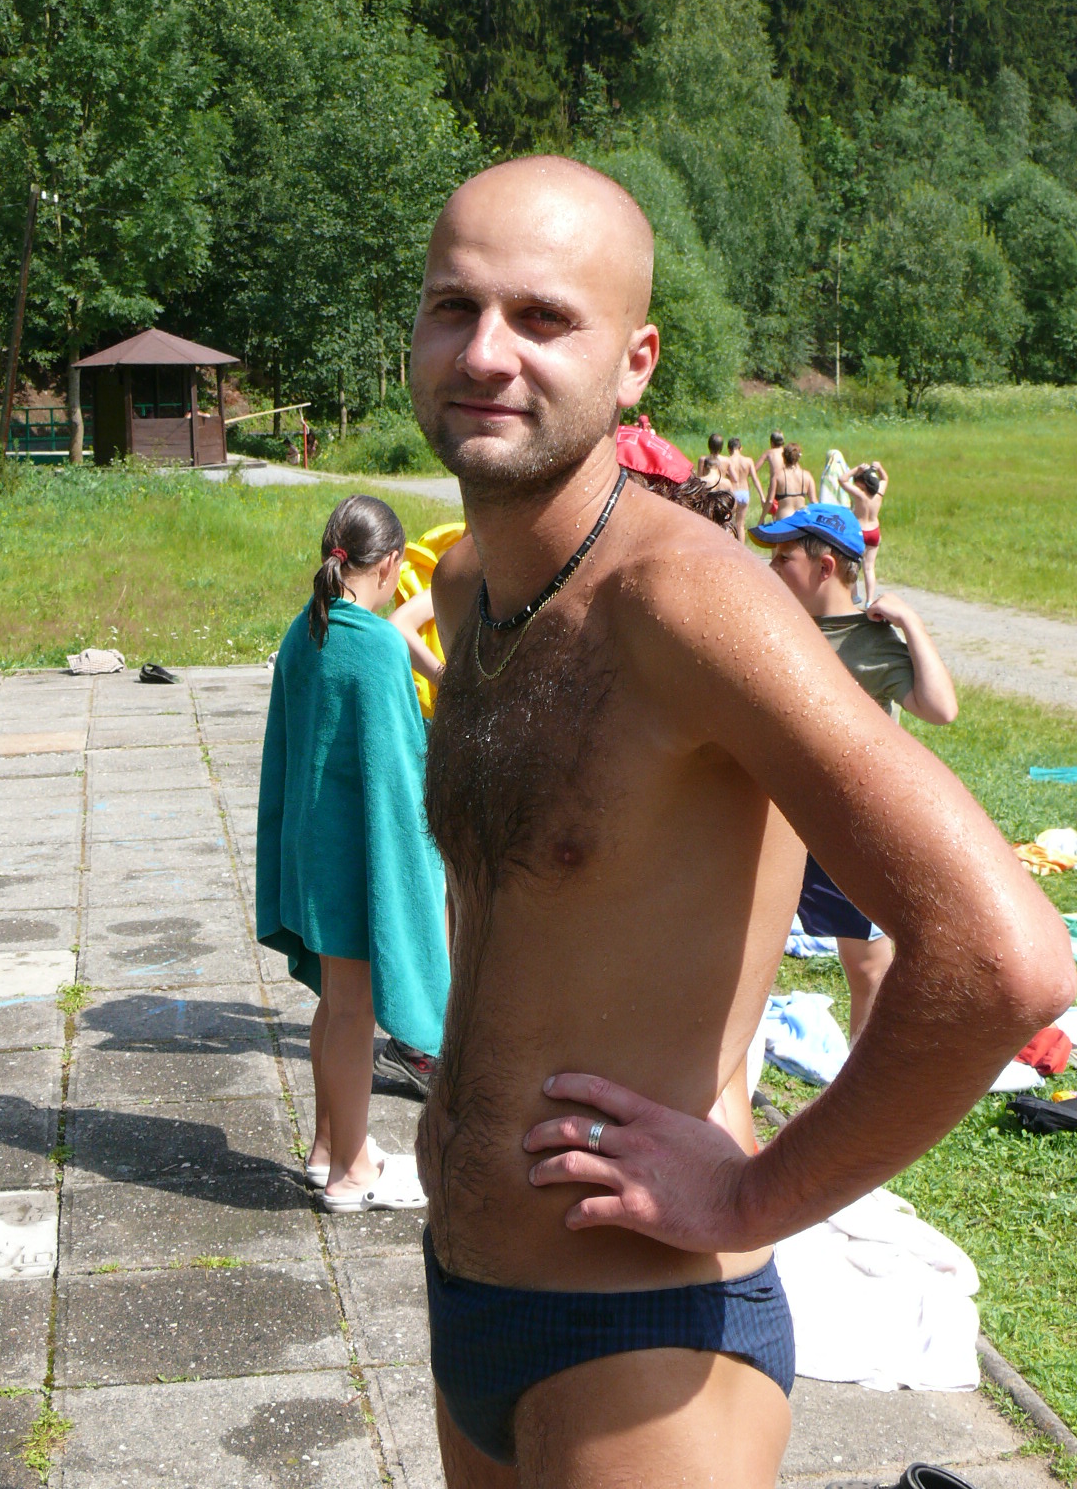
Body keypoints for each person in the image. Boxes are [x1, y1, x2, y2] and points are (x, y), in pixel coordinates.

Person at [408, 153, 1073, 1488]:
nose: (486, 352)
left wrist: (755, 1194)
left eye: (543, 318)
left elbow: (1006, 955)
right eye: (453, 307)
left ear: (635, 362)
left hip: (642, 1336)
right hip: (466, 1287)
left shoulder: (686, 605)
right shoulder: (473, 586)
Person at [255, 494, 449, 1211]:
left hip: (313, 851)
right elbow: (397, 773)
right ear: (392, 564)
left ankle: (329, 1148)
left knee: (337, 1006)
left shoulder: (305, 629)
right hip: (355, 856)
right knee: (353, 1014)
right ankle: (351, 1176)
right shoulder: (374, 647)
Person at [748, 503, 959, 1036]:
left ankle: (859, 1078)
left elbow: (940, 709)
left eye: (784, 558)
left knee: (866, 967)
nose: (771, 567)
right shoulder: (770, 623)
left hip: (846, 825)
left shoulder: (868, 642)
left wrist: (911, 624)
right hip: (772, 819)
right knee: (747, 955)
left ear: (824, 567)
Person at [842, 460, 889, 605]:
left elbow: (842, 480)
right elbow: (885, 478)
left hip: (859, 531)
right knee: (869, 567)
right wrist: (879, 467)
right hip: (874, 531)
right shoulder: (879, 493)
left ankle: (854, 595)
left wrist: (857, 469)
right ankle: (869, 600)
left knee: (853, 564)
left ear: (863, 484)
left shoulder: (860, 495)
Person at [722, 435, 764, 542]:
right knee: (740, 525)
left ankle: (729, 546)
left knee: (728, 523)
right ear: (740, 448)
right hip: (744, 493)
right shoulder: (748, 461)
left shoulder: (727, 461)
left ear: (729, 449)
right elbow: (755, 479)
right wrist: (762, 496)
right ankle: (741, 549)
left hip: (733, 493)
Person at [767, 440, 815, 520]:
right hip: (802, 516)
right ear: (798, 457)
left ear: (783, 457)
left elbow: (770, 501)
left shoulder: (778, 476)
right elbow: (813, 501)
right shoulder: (807, 475)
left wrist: (762, 518)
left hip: (784, 516)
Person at [757, 430, 785, 517]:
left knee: (775, 513)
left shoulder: (769, 453)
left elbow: (755, 469)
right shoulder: (787, 452)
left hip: (775, 485)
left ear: (772, 443)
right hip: (787, 484)